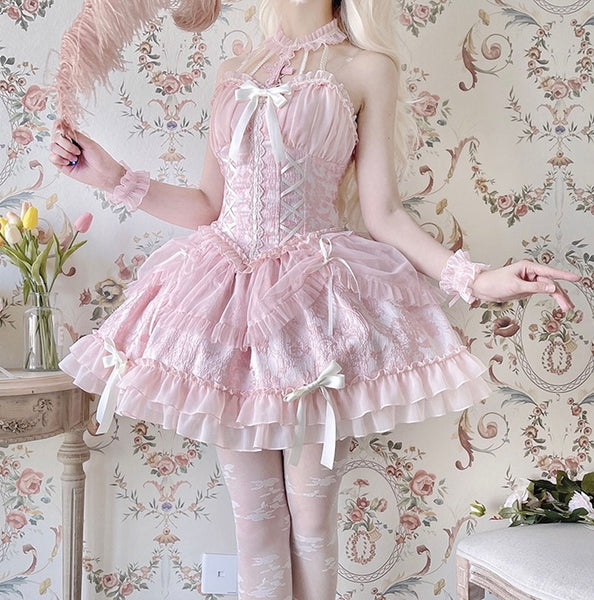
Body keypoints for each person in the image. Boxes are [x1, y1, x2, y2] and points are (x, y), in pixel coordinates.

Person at [49, 1, 580, 598]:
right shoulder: (234, 71)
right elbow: (208, 206)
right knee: (255, 525)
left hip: (315, 311)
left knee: (311, 525)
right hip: (228, 310)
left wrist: (476, 279)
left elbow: (384, 214)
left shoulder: (367, 68)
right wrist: (111, 176)